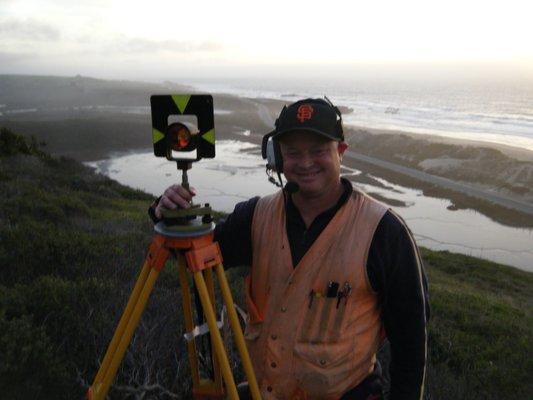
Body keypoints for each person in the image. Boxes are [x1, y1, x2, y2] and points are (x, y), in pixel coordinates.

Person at [149, 98, 429, 400]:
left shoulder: (384, 232)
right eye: (293, 152)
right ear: (278, 157)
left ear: (341, 152)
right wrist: (166, 212)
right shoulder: (256, 216)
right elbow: (192, 255)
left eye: (318, 150)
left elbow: (411, 342)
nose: (305, 162)